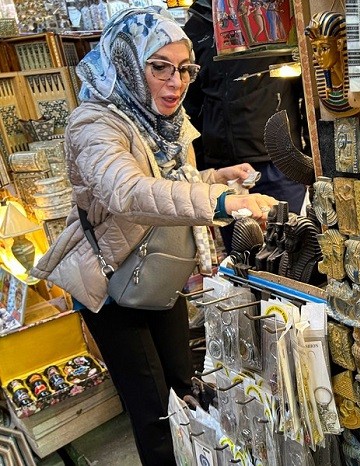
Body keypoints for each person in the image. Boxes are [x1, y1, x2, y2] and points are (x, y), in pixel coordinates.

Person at [29, 7, 277, 465]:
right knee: (153, 412)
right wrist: (224, 202)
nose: (175, 82)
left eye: (183, 69)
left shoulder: (164, 123)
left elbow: (169, 183)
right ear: (126, 62)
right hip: (111, 284)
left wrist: (216, 177)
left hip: (157, 273)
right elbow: (128, 192)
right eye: (159, 67)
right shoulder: (93, 125)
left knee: (184, 387)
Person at [182, 0, 307, 252]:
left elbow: (305, 88)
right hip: (225, 169)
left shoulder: (272, 11)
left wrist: (313, 157)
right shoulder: (196, 26)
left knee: (292, 251)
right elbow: (190, 106)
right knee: (242, 255)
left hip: (277, 162)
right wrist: (201, 172)